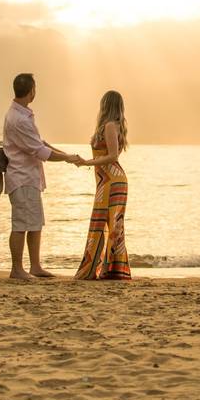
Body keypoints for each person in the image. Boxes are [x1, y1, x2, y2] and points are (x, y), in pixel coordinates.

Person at [2, 73, 79, 280]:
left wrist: (65, 154)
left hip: (29, 177)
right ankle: (17, 269)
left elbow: (40, 143)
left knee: (35, 223)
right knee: (21, 225)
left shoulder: (22, 114)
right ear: (31, 91)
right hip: (22, 177)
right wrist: (66, 158)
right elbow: (39, 151)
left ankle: (35, 266)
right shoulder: (19, 119)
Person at [73, 90, 131, 281]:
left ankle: (109, 270)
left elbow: (113, 156)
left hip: (113, 181)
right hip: (106, 181)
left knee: (111, 225)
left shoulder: (110, 126)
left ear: (105, 105)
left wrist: (86, 162)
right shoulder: (110, 126)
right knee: (104, 223)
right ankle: (106, 269)